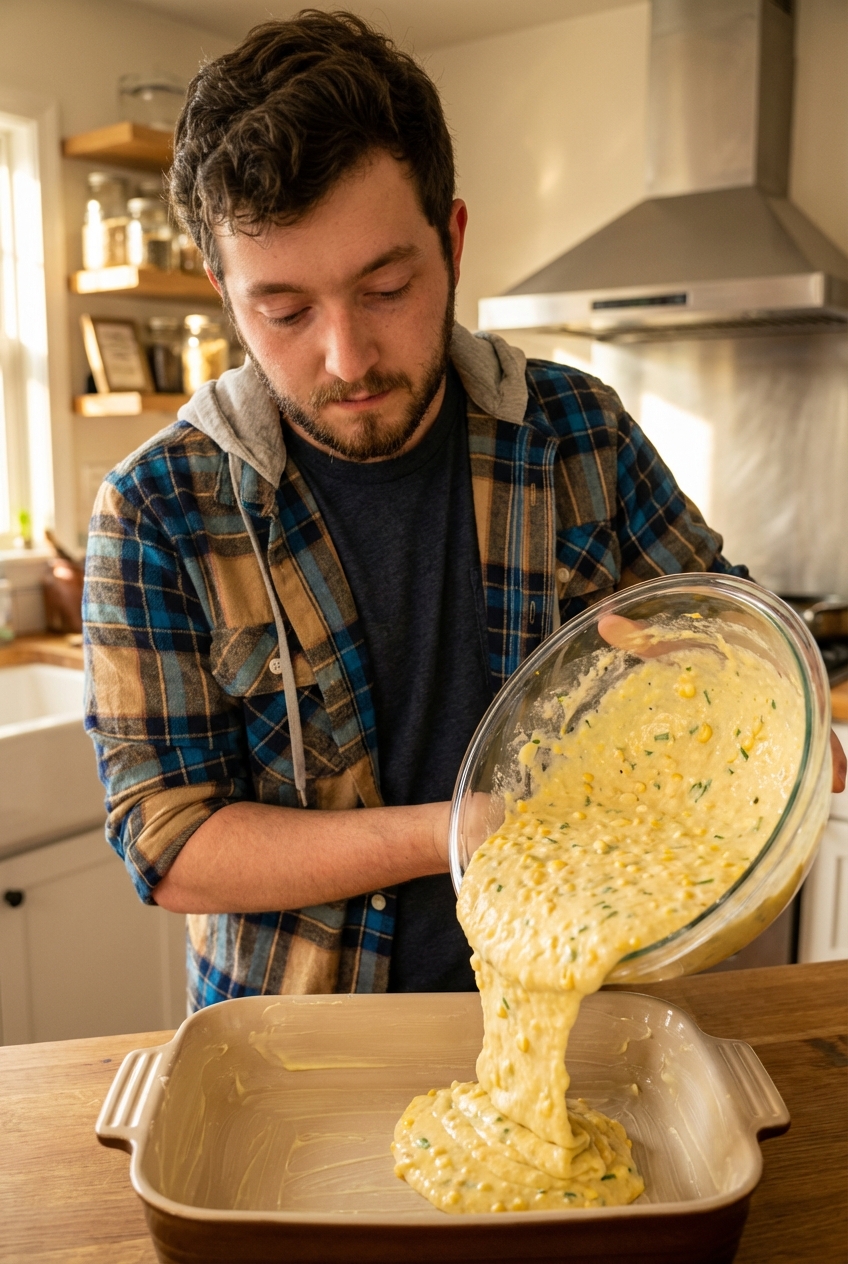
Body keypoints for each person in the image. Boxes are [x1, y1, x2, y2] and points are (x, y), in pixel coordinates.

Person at [83, 11, 845, 1011]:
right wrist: (462, 829)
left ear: (450, 241)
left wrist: (760, 709)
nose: (346, 357)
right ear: (225, 292)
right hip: (294, 1047)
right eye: (285, 312)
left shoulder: (577, 433)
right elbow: (171, 844)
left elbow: (725, 637)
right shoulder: (156, 510)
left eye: (386, 287)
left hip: (575, 1013)